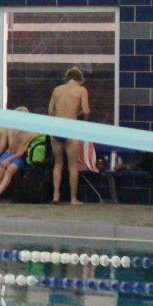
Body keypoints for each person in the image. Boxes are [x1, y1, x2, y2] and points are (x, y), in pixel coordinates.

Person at [48, 67, 90, 205]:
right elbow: (86, 110)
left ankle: (55, 195)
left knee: (58, 163)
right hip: (71, 128)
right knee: (73, 166)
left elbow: (50, 111)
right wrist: (76, 116)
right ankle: (73, 199)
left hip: (56, 128)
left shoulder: (56, 89)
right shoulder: (81, 90)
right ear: (80, 79)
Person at [0, 109, 34, 205]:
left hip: (19, 156)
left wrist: (9, 159)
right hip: (9, 153)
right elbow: (10, 146)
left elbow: (20, 152)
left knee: (10, 169)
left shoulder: (29, 132)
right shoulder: (11, 128)